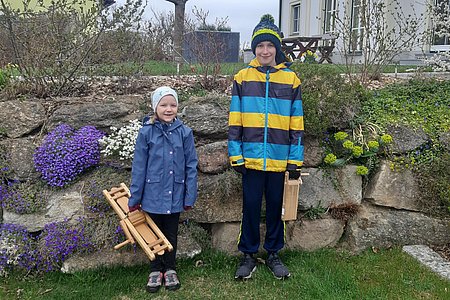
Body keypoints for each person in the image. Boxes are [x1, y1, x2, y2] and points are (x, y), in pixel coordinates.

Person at [228, 14, 304, 280]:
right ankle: (248, 254)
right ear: (254, 48)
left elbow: (297, 123)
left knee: (275, 208)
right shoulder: (242, 77)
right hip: (249, 159)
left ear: (277, 48)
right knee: (249, 207)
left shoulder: (291, 80)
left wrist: (295, 160)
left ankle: (273, 253)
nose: (265, 50)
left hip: (279, 159)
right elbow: (235, 119)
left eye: (270, 46)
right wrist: (235, 154)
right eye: (260, 46)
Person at [128, 86, 198, 293]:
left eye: (173, 105)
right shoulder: (146, 133)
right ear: (155, 107)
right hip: (152, 194)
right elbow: (139, 167)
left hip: (175, 194)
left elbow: (191, 165)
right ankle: (155, 269)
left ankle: (170, 268)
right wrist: (135, 198)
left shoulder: (185, 133)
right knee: (152, 233)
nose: (168, 109)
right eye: (164, 105)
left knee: (170, 233)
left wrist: (189, 195)